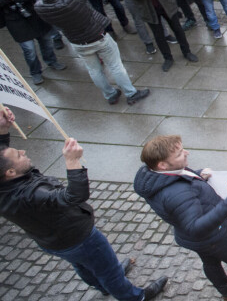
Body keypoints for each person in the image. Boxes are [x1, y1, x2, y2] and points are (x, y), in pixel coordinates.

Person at [0, 109, 168, 300]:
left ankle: (101, 284)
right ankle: (136, 297)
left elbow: (2, 156)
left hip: (52, 241)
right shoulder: (30, 195)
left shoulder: (4, 178)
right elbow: (74, 196)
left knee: (82, 265)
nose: (23, 151)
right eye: (19, 156)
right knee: (110, 271)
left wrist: (3, 128)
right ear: (11, 172)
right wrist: (72, 161)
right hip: (78, 238)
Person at [133, 135, 227, 301]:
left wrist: (198, 174)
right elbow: (196, 226)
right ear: (162, 164)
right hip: (214, 235)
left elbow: (179, 177)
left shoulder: (153, 175)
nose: (186, 153)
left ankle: (226, 290)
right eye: (179, 154)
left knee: (211, 263)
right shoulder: (178, 193)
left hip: (192, 240)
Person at [35, 0, 150, 105]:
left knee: (94, 70)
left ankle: (110, 95)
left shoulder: (40, 7)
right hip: (97, 36)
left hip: (77, 41)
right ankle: (131, 93)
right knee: (116, 66)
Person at [0, 0, 65, 85]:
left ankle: (52, 61)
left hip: (33, 16)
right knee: (29, 49)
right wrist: (6, 0)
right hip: (15, 22)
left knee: (46, 42)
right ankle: (35, 72)